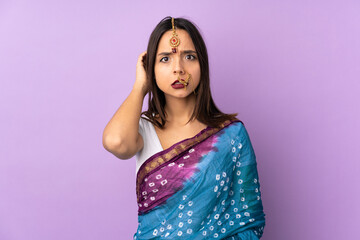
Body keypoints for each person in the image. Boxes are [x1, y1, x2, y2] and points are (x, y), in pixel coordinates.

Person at [102, 16, 266, 239]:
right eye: (165, 59)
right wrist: (140, 87)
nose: (178, 69)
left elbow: (249, 219)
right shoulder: (143, 129)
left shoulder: (231, 135)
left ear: (202, 65)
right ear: (151, 69)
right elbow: (116, 142)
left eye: (189, 57)